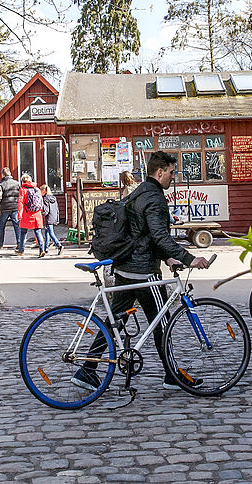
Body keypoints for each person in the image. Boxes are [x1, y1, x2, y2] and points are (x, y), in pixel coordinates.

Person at [73, 151, 210, 392]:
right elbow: (159, 235)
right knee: (163, 324)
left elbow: (142, 234)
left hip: (126, 267)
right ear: (160, 172)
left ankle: (87, 369)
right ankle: (171, 375)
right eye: (171, 172)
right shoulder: (155, 198)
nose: (173, 177)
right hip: (144, 272)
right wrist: (189, 258)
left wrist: (166, 256)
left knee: (115, 319)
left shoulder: (139, 192)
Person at [15, 173, 44, 257]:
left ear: (23, 181)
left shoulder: (23, 190)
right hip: (37, 214)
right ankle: (42, 250)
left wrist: (19, 214)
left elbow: (20, 202)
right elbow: (41, 202)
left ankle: (21, 250)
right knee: (38, 232)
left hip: (26, 214)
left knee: (23, 232)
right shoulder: (37, 189)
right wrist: (40, 211)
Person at [0, 167, 20, 250]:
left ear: (3, 174)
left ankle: (0, 244)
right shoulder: (17, 183)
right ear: (10, 173)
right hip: (15, 207)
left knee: (2, 226)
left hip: (4, 207)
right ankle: (19, 243)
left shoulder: (1, 183)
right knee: (16, 225)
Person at [38, 184, 63, 257]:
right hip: (54, 217)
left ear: (44, 191)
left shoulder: (45, 198)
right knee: (47, 233)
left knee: (51, 233)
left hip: (48, 217)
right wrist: (57, 219)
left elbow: (46, 210)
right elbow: (57, 209)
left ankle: (59, 246)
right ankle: (46, 248)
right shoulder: (54, 198)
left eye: (41, 191)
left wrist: (41, 214)